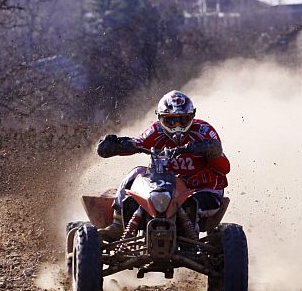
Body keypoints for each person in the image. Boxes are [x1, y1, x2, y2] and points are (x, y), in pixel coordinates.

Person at [96, 90, 230, 241]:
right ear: (160, 119)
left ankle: (190, 243)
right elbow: (137, 143)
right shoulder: (156, 130)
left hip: (205, 188)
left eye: (183, 120)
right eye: (171, 120)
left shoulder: (204, 131)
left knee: (189, 206)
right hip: (168, 188)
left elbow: (225, 168)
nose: (177, 126)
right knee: (137, 173)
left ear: (192, 117)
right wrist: (115, 145)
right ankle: (118, 224)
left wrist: (209, 150)